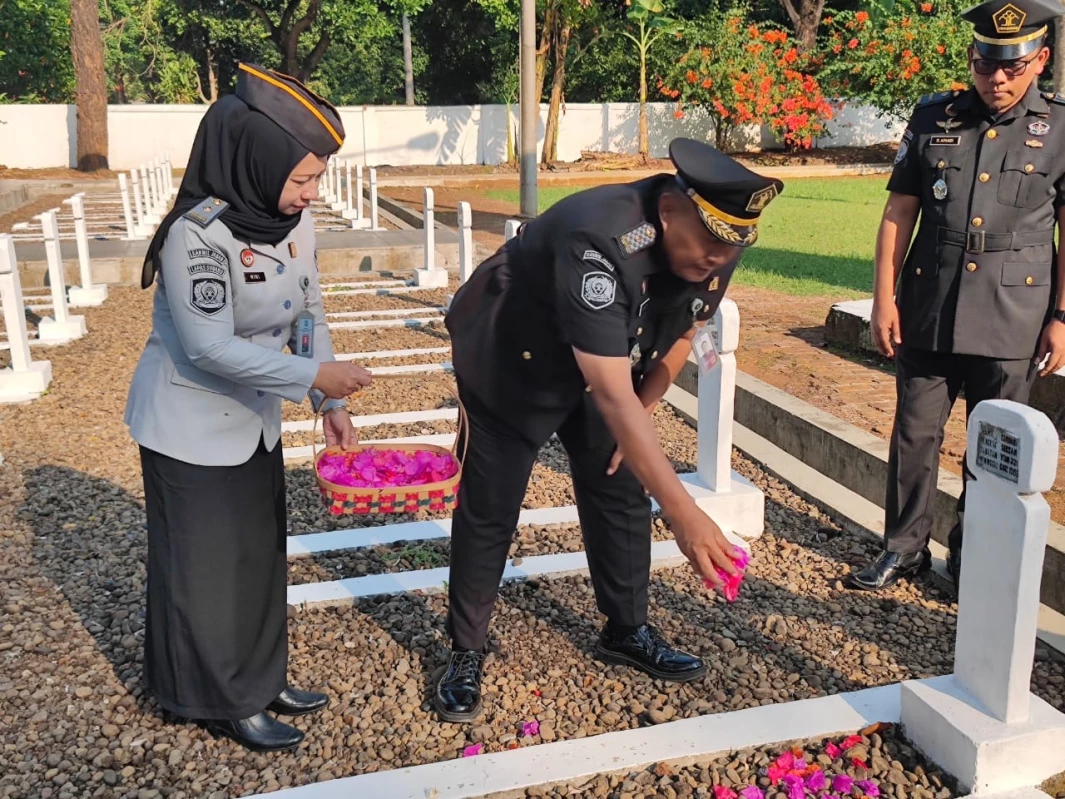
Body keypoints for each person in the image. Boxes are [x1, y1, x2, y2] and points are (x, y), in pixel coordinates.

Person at [436, 138, 784, 722]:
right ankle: (466, 650)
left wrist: (643, 413)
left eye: (729, 252)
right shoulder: (599, 236)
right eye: (710, 248)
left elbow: (683, 333)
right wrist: (685, 515)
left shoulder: (718, 241)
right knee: (490, 505)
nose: (718, 261)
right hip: (511, 358)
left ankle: (626, 629)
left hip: (608, 361)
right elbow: (609, 392)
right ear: (670, 211)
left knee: (621, 487)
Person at [124, 63, 373, 752]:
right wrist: (313, 372)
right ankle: (217, 695)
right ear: (253, 163)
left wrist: (325, 396)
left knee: (258, 556)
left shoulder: (290, 222)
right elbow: (209, 348)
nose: (309, 194)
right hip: (190, 425)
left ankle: (261, 677)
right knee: (205, 567)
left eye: (315, 179)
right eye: (301, 179)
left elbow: (307, 308)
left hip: (252, 422)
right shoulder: (196, 234)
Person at [847, 0, 1065, 593]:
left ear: (1039, 60)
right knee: (914, 434)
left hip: (1014, 315)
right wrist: (884, 298)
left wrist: (1062, 318)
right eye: (984, 64)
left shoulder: (1062, 128)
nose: (995, 79)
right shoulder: (933, 116)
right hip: (931, 304)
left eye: (1011, 68)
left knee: (992, 446)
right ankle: (904, 548)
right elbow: (899, 212)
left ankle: (975, 558)